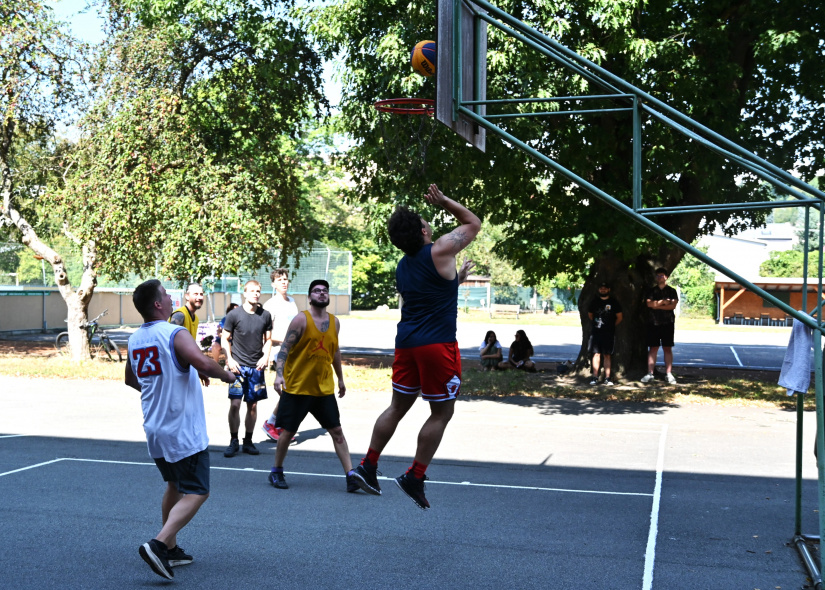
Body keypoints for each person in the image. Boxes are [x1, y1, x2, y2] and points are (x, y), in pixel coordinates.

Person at [350, 183, 480, 509]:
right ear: (424, 229)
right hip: (436, 346)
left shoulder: (403, 266)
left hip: (406, 344)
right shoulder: (438, 251)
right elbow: (473, 224)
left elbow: (431, 291)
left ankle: (368, 465)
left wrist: (458, 278)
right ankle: (415, 475)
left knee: (397, 407)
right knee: (442, 411)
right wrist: (445, 199)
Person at [125, 279, 236, 580]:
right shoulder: (174, 332)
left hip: (155, 428)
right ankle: (159, 544)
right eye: (165, 294)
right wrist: (227, 376)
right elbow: (202, 361)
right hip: (182, 430)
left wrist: (161, 385)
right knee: (198, 490)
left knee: (175, 486)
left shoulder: (135, 339)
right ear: (158, 304)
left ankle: (171, 548)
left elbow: (132, 379)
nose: (170, 296)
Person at [268, 279, 357, 491]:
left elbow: (334, 350)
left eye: (325, 291)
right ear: (309, 297)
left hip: (323, 389)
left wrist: (341, 379)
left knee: (337, 431)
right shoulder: (301, 320)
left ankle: (351, 475)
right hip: (298, 388)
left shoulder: (335, 322)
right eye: (317, 291)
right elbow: (285, 349)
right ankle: (276, 471)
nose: (321, 294)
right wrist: (279, 375)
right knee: (287, 433)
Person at [221, 280, 272, 457]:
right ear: (244, 293)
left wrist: (266, 356)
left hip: (255, 368)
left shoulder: (265, 315)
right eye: (252, 291)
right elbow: (224, 339)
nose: (255, 294)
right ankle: (233, 440)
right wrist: (230, 359)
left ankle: (248, 441)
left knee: (252, 406)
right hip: (237, 368)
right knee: (235, 404)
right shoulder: (234, 315)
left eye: (258, 291)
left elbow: (269, 340)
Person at [261, 268, 300, 442]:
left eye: (285, 279)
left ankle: (276, 423)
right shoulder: (270, 305)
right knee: (289, 392)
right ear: (273, 284)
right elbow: (266, 333)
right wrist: (283, 342)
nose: (284, 282)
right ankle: (272, 423)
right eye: (280, 280)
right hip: (280, 352)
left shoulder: (292, 301)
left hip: (295, 351)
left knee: (292, 391)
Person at [640, 267, 679, 384]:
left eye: (661, 275)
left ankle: (669, 373)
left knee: (667, 348)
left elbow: (672, 306)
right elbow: (649, 304)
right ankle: (650, 373)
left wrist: (657, 305)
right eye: (657, 276)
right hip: (653, 323)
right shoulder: (651, 291)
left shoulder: (672, 291)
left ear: (666, 277)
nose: (659, 278)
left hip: (668, 323)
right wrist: (663, 302)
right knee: (653, 348)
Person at [587, 282, 623, 385]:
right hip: (596, 332)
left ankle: (607, 378)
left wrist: (611, 325)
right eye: (601, 288)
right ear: (599, 290)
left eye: (605, 288)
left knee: (607, 355)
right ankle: (594, 377)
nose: (603, 290)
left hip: (609, 333)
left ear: (609, 290)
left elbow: (619, 317)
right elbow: (590, 315)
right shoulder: (594, 302)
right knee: (596, 354)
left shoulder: (614, 302)